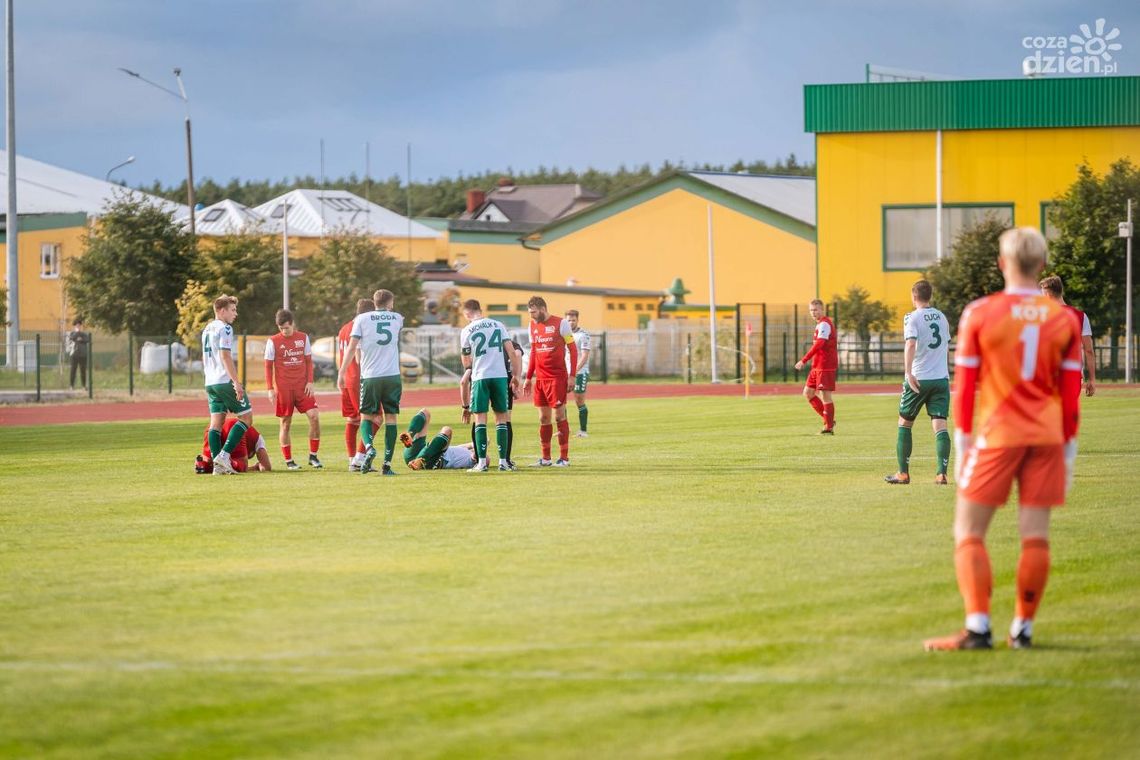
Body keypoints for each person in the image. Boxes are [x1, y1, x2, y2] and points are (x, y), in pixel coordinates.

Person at [924, 227, 1082, 651]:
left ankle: (978, 627)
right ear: (1043, 265)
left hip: (999, 435)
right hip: (1047, 437)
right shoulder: (1064, 319)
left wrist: (961, 442)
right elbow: (1070, 395)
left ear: (1001, 264)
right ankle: (1023, 630)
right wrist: (1068, 448)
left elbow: (965, 383)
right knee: (1035, 535)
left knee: (969, 531)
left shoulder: (980, 312)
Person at [885, 280, 952, 485]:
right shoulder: (942, 317)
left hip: (919, 378)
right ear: (930, 296)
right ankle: (941, 474)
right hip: (941, 378)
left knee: (905, 423)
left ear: (914, 296)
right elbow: (946, 346)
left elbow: (911, 343)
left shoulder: (912, 317)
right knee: (940, 425)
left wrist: (907, 373)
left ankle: (903, 474)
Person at [337, 288, 404, 475]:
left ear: (374, 302)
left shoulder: (361, 320)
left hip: (370, 376)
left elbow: (352, 349)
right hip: (392, 375)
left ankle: (368, 448)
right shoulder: (398, 318)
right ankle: (387, 466)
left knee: (365, 417)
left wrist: (341, 372)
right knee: (391, 418)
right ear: (390, 303)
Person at [459, 299, 522, 472]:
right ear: (480, 309)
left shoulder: (466, 330)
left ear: (466, 313)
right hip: (500, 376)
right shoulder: (498, 325)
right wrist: (516, 376)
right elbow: (511, 352)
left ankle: (481, 463)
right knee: (502, 418)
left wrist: (471, 366)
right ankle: (503, 462)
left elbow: (466, 359)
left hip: (480, 376)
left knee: (480, 418)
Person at [522, 296, 577, 466]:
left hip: (557, 378)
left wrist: (572, 375)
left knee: (559, 416)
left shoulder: (561, 324)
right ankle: (546, 458)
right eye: (530, 312)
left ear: (543, 309)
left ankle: (564, 458)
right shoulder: (532, 326)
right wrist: (529, 377)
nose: (531, 316)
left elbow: (573, 350)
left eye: (533, 312)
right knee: (543, 419)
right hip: (541, 379)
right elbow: (533, 352)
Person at [201, 295, 253, 475]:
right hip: (224, 381)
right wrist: (236, 382)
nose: (235, 313)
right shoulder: (225, 328)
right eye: (232, 310)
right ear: (222, 311)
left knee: (216, 422)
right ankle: (223, 456)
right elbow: (225, 356)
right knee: (246, 418)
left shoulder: (207, 329)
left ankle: (218, 466)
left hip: (210, 382)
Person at [265, 308, 321, 470]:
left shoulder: (303, 338)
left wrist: (310, 381)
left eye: (287, 328)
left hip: (302, 387)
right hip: (283, 389)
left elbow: (309, 362)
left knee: (314, 417)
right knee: (285, 423)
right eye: (281, 328)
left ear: (293, 324)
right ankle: (289, 461)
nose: (284, 331)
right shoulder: (273, 341)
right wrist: (270, 388)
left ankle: (313, 456)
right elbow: (268, 367)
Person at [1039, 275, 1096, 397]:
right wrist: (1092, 379)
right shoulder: (1081, 316)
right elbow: (1089, 350)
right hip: (1073, 375)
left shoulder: (1042, 317)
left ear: (1047, 295)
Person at [337, 299, 375, 471]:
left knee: (352, 420)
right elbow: (359, 358)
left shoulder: (344, 328)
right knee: (375, 418)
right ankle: (359, 458)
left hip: (346, 378)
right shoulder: (361, 328)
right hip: (358, 379)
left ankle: (352, 458)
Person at [794, 298, 838, 434]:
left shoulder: (825, 324)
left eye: (816, 310)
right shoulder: (820, 324)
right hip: (817, 366)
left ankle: (828, 427)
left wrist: (804, 360)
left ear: (822, 310)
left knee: (825, 396)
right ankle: (828, 419)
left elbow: (819, 344)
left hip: (825, 366)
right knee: (808, 393)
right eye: (811, 310)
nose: (813, 313)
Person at [399, 408, 478, 471]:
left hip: (433, 459)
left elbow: (484, 459)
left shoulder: (471, 458)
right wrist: (479, 443)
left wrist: (479, 452)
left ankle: (421, 460)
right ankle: (410, 435)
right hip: (421, 453)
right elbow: (472, 444)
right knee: (425, 412)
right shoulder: (465, 449)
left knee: (447, 430)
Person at [196, 417, 272, 473]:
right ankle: (230, 463)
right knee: (242, 466)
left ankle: (202, 465)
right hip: (234, 429)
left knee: (210, 461)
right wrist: (255, 467)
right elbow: (266, 467)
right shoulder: (259, 439)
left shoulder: (254, 435)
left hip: (213, 427)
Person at [566, 309, 592, 437]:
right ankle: (564, 430)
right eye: (569, 320)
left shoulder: (583, 334)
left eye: (573, 320)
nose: (571, 322)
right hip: (564, 372)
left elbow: (585, 355)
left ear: (578, 320)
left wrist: (575, 370)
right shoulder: (563, 334)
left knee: (579, 400)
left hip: (579, 372)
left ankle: (583, 430)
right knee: (560, 401)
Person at [66, 317, 89, 390]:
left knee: (83, 371)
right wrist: (77, 333)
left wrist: (81, 339)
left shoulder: (84, 334)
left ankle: (84, 386)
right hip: (74, 355)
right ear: (74, 326)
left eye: (79, 325)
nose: (78, 327)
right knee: (73, 371)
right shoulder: (72, 333)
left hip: (83, 355)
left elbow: (87, 339)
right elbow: (72, 338)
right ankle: (71, 386)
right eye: (77, 325)